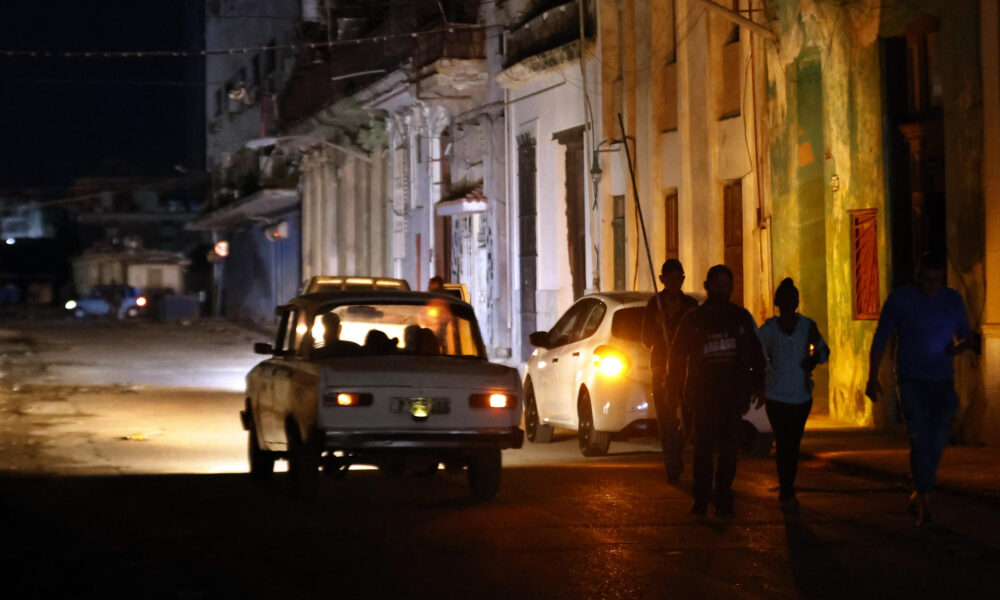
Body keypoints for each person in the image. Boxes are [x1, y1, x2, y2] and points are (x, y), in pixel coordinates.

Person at [866, 251, 972, 526]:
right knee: (918, 435)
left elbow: (965, 336)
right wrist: (872, 375)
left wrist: (958, 347)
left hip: (942, 379)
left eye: (936, 281)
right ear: (917, 277)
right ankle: (924, 497)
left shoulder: (952, 301)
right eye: (926, 280)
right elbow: (881, 338)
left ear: (942, 280)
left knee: (937, 437)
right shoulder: (901, 300)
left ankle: (921, 488)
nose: (930, 287)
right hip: (911, 379)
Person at [667, 265, 766, 521]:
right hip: (703, 395)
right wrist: (674, 386)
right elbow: (677, 355)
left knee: (729, 450)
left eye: (726, 285)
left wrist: (759, 384)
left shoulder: (740, 318)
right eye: (717, 284)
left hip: (733, 395)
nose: (722, 290)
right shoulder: (693, 320)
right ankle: (701, 498)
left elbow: (756, 353)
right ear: (707, 286)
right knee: (704, 448)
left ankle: (723, 497)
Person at [757, 278, 830, 514]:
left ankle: (788, 486)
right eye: (784, 299)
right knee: (784, 442)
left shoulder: (808, 326)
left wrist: (813, 359)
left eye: (792, 299)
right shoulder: (768, 330)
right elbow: (755, 355)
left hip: (801, 397)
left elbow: (823, 351)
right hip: (776, 397)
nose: (788, 304)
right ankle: (786, 488)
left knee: (793, 444)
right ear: (778, 302)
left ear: (797, 302)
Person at [641, 258, 699, 481]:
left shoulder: (691, 307)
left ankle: (679, 450)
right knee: (666, 419)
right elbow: (646, 340)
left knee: (689, 417)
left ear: (683, 279)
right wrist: (658, 324)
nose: (675, 284)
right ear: (662, 280)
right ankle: (672, 464)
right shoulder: (654, 306)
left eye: (679, 279)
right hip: (661, 367)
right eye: (670, 279)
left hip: (685, 368)